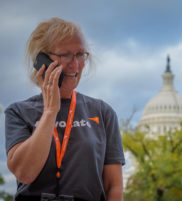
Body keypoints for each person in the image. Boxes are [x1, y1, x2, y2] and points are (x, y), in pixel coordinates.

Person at [5, 17, 125, 201]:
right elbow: (25, 173)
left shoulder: (102, 112)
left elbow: (113, 186)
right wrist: (50, 112)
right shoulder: (19, 112)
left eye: (80, 54)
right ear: (42, 60)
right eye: (66, 55)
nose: (75, 65)